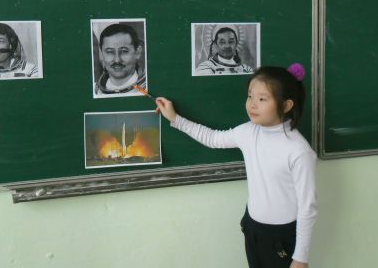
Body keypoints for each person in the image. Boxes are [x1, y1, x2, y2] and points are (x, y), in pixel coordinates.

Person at [155, 64, 317, 268]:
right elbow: (213, 138)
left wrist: (300, 258)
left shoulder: (299, 151)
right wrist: (175, 119)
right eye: (250, 96)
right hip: (253, 227)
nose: (252, 104)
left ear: (286, 105)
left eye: (262, 99)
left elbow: (307, 207)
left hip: (281, 236)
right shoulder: (249, 132)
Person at [95, 23, 146, 95]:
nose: (117, 60)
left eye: (124, 51)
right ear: (101, 53)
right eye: (110, 52)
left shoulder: (148, 90)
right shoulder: (95, 92)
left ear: (137, 53)